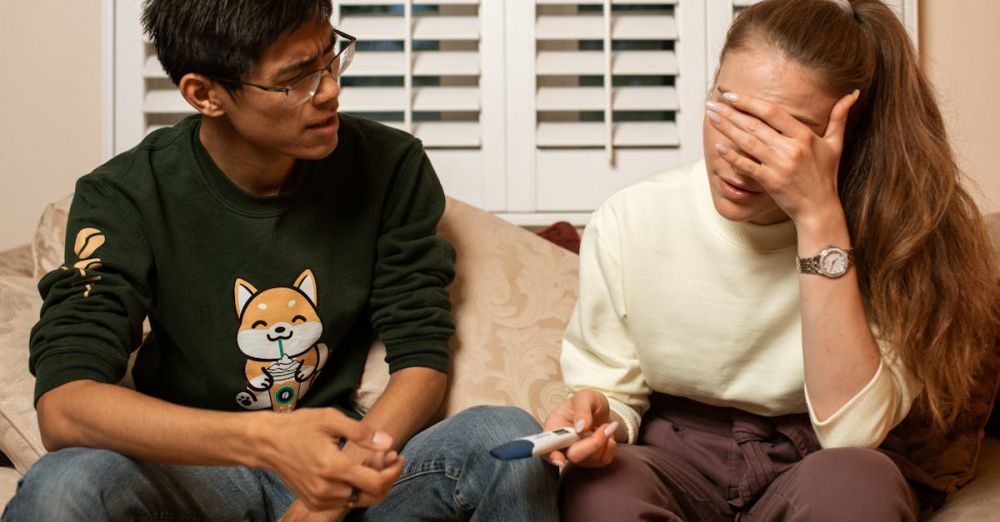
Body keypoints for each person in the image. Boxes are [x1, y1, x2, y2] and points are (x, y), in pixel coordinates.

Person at [1, 1, 557, 521]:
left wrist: (334, 486)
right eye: (296, 79)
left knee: (507, 437)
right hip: (200, 470)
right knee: (65, 484)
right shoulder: (124, 195)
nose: (331, 90)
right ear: (204, 94)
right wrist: (265, 439)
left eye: (331, 57)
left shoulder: (390, 165)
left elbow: (421, 359)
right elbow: (65, 408)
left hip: (349, 462)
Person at [543, 0, 999, 520]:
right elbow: (613, 392)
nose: (738, 155)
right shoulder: (630, 219)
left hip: (821, 460)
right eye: (730, 111)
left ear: (843, 136)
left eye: (781, 135)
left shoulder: (897, 234)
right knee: (598, 489)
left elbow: (852, 433)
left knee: (859, 483)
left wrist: (819, 218)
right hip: (676, 454)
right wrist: (603, 417)